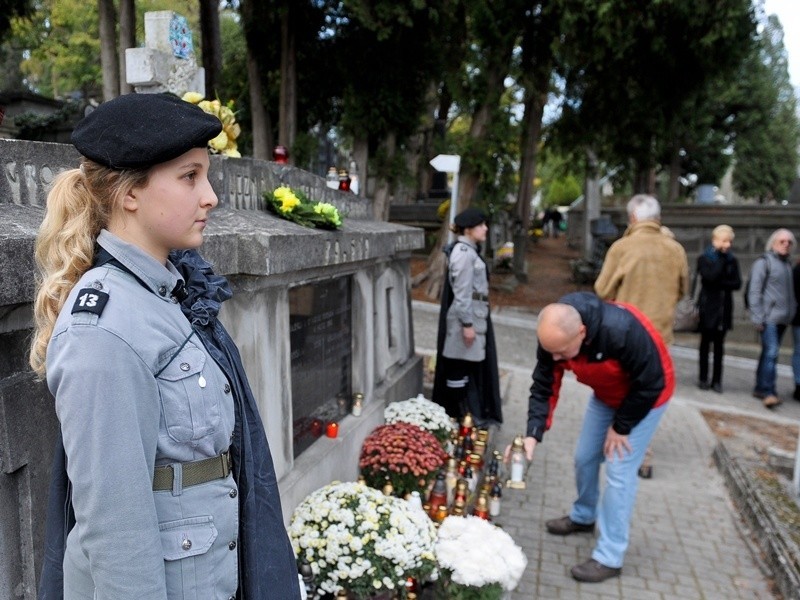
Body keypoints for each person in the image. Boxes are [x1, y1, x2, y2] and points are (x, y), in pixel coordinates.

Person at [30, 93, 301, 599]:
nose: (210, 196)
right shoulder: (105, 329)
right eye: (189, 176)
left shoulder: (163, 295)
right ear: (130, 193)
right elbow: (115, 535)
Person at [513, 292, 673, 583]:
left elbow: (651, 383)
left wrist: (621, 427)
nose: (557, 358)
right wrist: (533, 432)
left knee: (619, 469)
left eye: (562, 352)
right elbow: (544, 384)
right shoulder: (553, 336)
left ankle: (610, 556)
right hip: (607, 395)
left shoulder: (621, 331)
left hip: (646, 398)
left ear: (582, 333)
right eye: (552, 353)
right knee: (584, 456)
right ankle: (584, 516)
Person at [593, 193, 687, 478]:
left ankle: (612, 444)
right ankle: (642, 453)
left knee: (622, 389)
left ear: (633, 217)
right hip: (660, 334)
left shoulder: (623, 247)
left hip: (625, 333)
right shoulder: (676, 249)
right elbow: (683, 289)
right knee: (650, 391)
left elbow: (602, 289)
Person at [432, 207, 502, 426]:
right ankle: (457, 416)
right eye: (481, 225)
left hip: (474, 319)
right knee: (457, 370)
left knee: (463, 370)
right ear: (470, 229)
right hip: (466, 321)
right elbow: (462, 294)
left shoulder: (469, 251)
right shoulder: (463, 254)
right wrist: (467, 324)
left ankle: (464, 416)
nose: (485, 229)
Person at [748, 228, 797, 408]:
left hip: (783, 318)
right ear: (773, 243)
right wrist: (757, 317)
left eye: (789, 242)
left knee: (767, 353)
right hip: (768, 318)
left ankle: (760, 387)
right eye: (782, 241)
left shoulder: (787, 264)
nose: (786, 245)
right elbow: (754, 291)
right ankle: (769, 391)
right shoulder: (764, 262)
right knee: (772, 352)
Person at [696, 225, 742, 393]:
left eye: (729, 241)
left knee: (719, 346)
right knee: (705, 344)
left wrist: (720, 283)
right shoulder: (705, 258)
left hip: (724, 308)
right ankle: (703, 377)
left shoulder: (733, 260)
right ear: (715, 241)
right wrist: (721, 260)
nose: (727, 245)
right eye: (724, 241)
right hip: (708, 307)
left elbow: (736, 283)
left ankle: (717, 380)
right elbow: (709, 278)